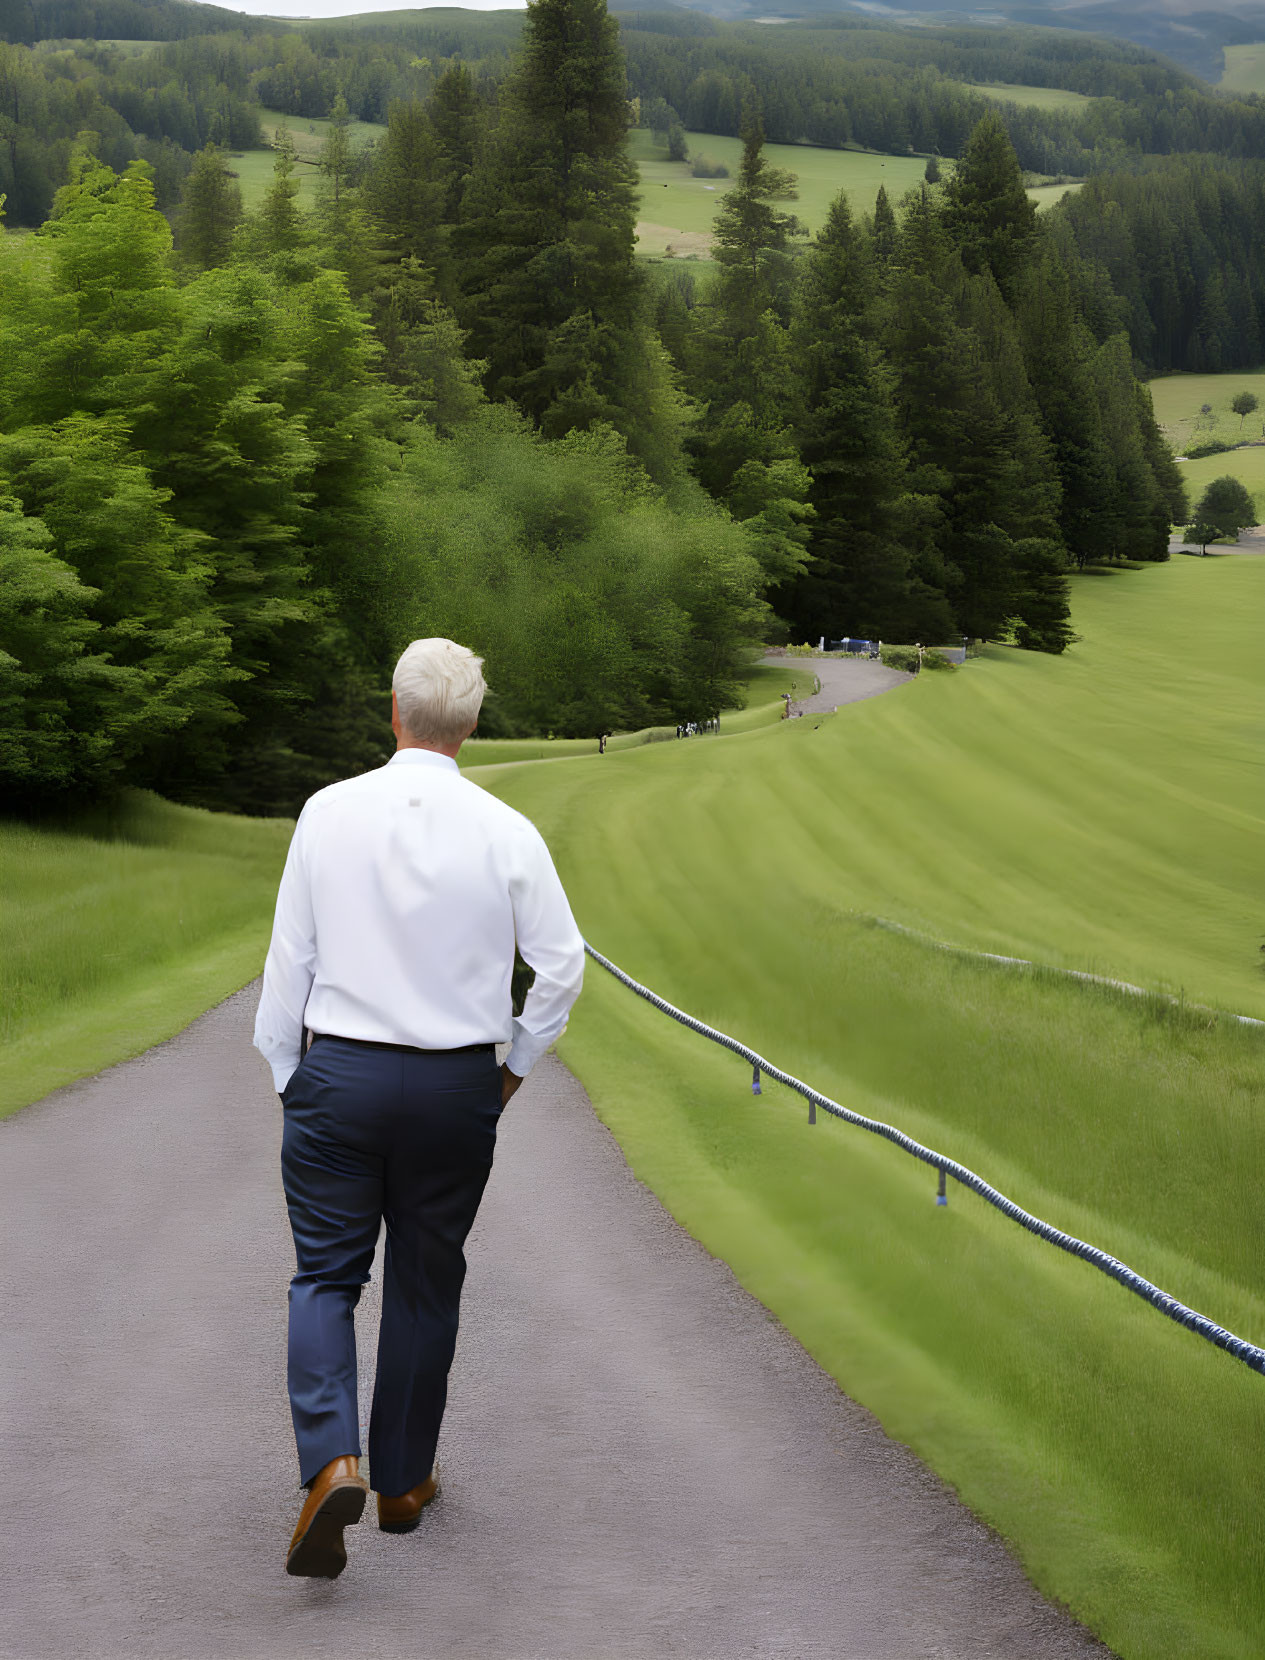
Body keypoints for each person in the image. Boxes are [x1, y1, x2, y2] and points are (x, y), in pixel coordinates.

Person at [254, 637, 585, 1580]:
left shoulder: (327, 811)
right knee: (425, 1279)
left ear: (392, 712)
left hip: (343, 1075)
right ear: (470, 724)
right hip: (452, 1087)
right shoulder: (507, 829)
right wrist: (514, 1066)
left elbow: (291, 958)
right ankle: (400, 1484)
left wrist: (288, 1071)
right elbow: (562, 963)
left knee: (325, 1276)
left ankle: (331, 1464)